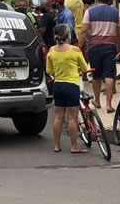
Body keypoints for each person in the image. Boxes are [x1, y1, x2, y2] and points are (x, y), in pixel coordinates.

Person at [46, 24, 89, 154]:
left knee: (58, 116)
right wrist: (78, 70)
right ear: (68, 35)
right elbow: (85, 67)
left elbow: (49, 70)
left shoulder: (51, 51)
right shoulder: (75, 50)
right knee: (72, 118)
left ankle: (57, 145)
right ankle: (74, 146)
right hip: (71, 86)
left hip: (57, 86)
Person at [79, 0, 120, 113]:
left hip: (94, 47)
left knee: (96, 75)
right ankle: (109, 105)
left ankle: (97, 101)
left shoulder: (89, 12)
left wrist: (78, 47)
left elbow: (83, 31)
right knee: (109, 75)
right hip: (110, 47)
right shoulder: (116, 13)